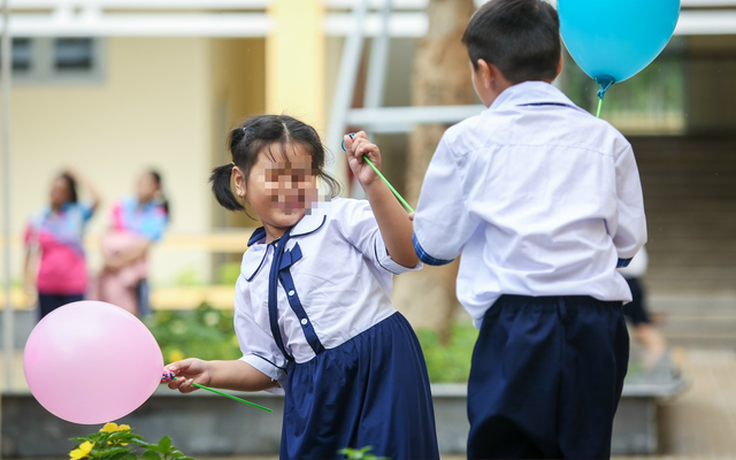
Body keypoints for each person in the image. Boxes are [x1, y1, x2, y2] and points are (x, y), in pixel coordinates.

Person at [411, 0, 647, 458]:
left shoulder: (467, 140)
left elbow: (435, 247)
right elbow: (627, 245)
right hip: (595, 327)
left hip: (515, 328)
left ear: (484, 71)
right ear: (559, 63)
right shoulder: (607, 140)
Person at [165, 115, 439, 460]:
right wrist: (210, 371)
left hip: (382, 368)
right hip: (313, 395)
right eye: (275, 177)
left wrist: (373, 184)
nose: (289, 189)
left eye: (301, 177)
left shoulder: (340, 218)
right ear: (240, 181)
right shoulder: (251, 272)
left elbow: (406, 254)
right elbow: (267, 364)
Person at [23, 169, 100, 319]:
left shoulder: (77, 214)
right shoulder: (37, 218)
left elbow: (98, 199)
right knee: (47, 331)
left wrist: (78, 175)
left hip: (74, 286)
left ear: (70, 194)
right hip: (46, 285)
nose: (57, 193)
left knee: (74, 329)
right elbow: (28, 252)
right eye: (55, 188)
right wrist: (26, 284)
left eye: (63, 190)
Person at [96, 170, 169, 316]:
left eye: (147, 183)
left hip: (135, 276)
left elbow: (143, 245)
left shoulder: (157, 213)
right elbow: (105, 232)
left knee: (133, 315)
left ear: (156, 187)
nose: (142, 186)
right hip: (110, 271)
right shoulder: (121, 204)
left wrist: (117, 262)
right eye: (140, 182)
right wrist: (108, 259)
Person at [619, 246, 667, 366]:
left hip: (626, 282)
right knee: (641, 326)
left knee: (642, 327)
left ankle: (651, 359)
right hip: (628, 282)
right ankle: (652, 357)